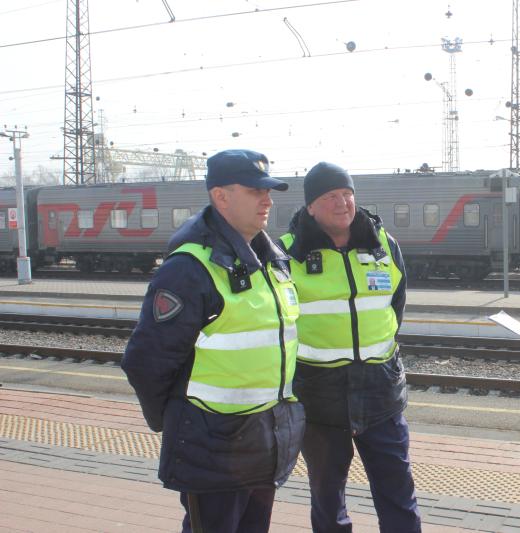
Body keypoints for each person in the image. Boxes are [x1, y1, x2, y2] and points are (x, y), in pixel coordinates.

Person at [121, 149, 305, 533]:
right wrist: (177, 421)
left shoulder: (273, 261)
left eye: (268, 190)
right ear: (221, 196)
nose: (267, 200)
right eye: (255, 190)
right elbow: (146, 360)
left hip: (264, 443)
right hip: (214, 449)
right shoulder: (189, 269)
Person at [278, 161, 421, 533]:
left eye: (347, 194)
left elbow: (396, 304)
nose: (342, 203)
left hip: (381, 393)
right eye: (331, 196)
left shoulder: (384, 245)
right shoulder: (286, 254)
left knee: (398, 492)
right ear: (311, 205)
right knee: (327, 496)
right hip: (320, 395)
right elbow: (279, 323)